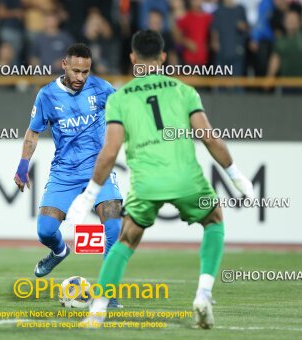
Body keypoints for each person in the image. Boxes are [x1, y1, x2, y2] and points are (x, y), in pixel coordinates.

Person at [65, 30, 254, 329]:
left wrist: (88, 195)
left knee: (126, 240)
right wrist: (235, 175)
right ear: (163, 57)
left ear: (132, 58)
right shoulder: (184, 91)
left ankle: (98, 308)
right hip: (187, 179)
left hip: (147, 184)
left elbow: (109, 152)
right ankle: (203, 293)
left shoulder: (121, 97)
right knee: (214, 220)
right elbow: (209, 138)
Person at [14, 43, 123, 308]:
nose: (80, 78)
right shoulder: (47, 96)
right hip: (64, 171)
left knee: (113, 226)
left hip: (99, 170)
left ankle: (108, 294)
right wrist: (22, 165)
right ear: (64, 65)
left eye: (85, 72)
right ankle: (60, 251)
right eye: (76, 71)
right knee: (45, 230)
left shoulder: (101, 88)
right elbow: (33, 132)